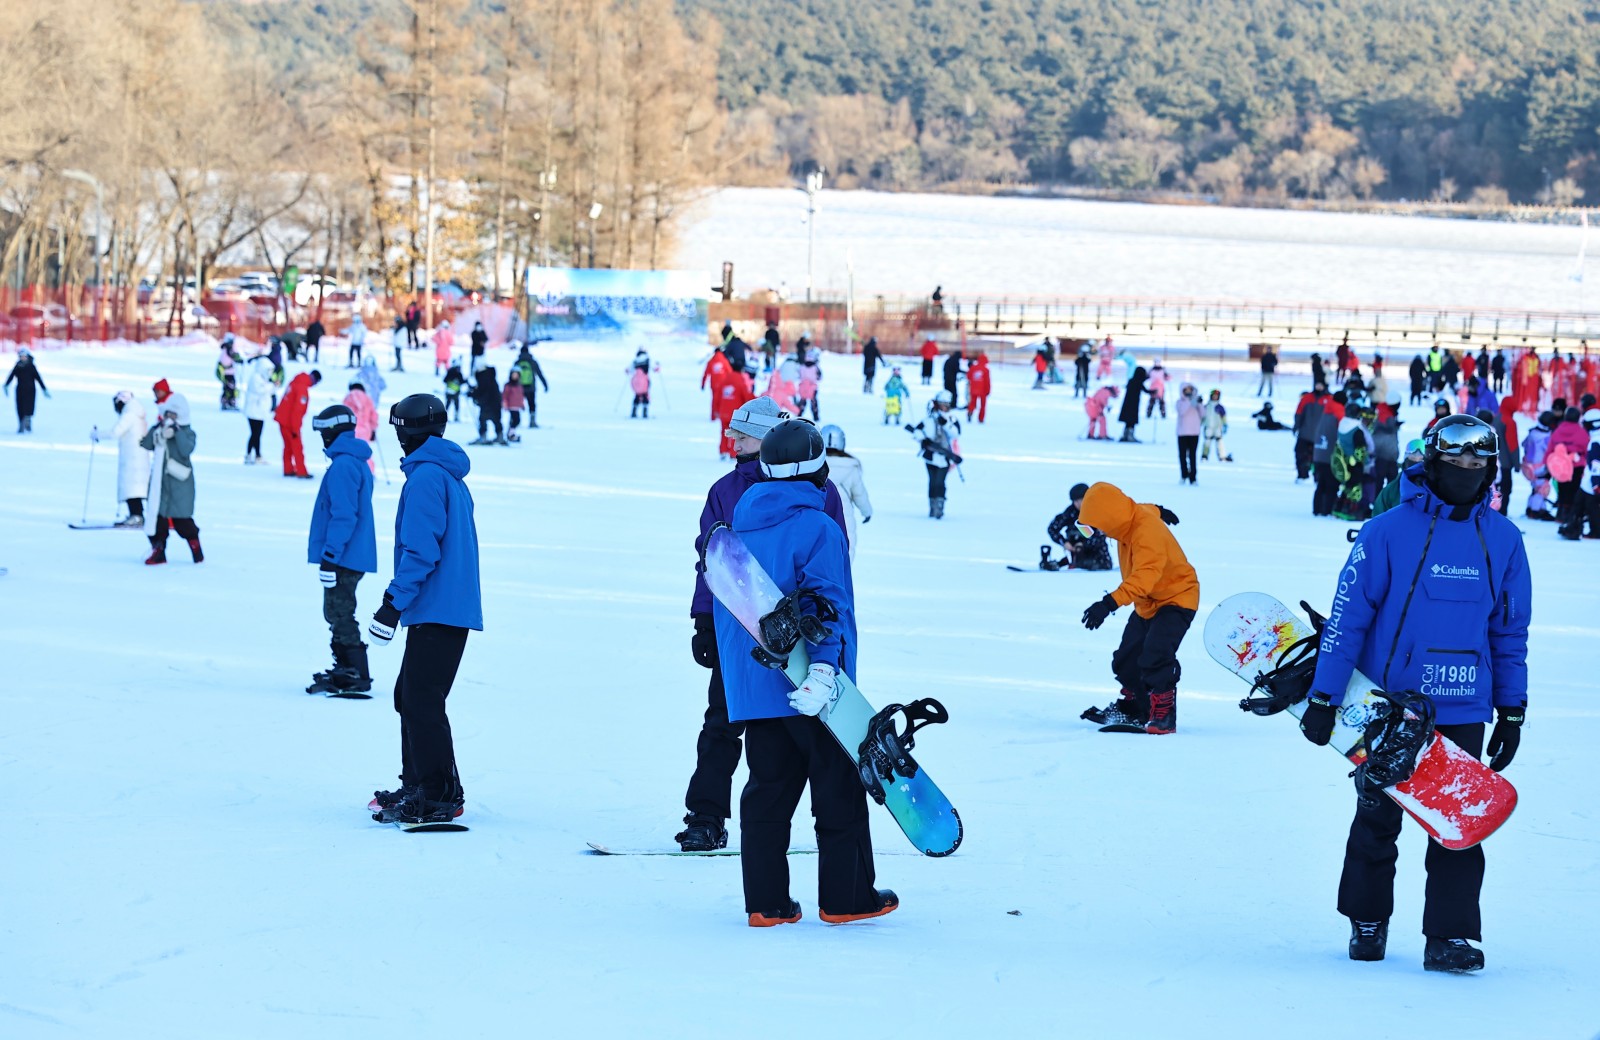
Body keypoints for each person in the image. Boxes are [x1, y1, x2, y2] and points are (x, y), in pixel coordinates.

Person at [1299, 414, 1529, 973]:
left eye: (1479, 466)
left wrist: (1512, 710)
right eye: (1456, 464)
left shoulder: (1504, 539)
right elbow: (1347, 622)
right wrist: (1325, 696)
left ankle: (1449, 936)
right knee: (1377, 818)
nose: (1467, 474)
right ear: (1432, 465)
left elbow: (1509, 630)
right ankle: (1367, 920)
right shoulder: (1385, 532)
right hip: (1388, 707)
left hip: (1465, 705)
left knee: (1457, 827)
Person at [715, 418, 896, 927]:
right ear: (818, 471)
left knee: (767, 792)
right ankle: (848, 899)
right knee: (838, 791)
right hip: (815, 687)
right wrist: (824, 671)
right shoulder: (817, 527)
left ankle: (766, 904)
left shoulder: (738, 526)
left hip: (755, 686)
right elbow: (826, 604)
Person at [679, 397, 850, 852]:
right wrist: (703, 619)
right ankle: (705, 815)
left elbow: (832, 559)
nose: (731, 439)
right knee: (721, 722)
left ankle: (827, 830)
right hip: (739, 629)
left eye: (742, 433)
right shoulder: (725, 489)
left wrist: (828, 637)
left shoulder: (820, 489)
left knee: (809, 736)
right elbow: (709, 559)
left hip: (805, 640)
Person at [367, 394, 483, 827]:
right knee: (410, 696)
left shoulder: (426, 479)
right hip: (443, 606)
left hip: (439, 607)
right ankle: (419, 783)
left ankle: (439, 793)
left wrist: (391, 604)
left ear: (406, 433)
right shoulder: (447, 475)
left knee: (421, 699)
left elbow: (421, 551)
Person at [1075, 484, 1197, 734]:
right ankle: (1134, 707)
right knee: (1126, 658)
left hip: (1176, 598)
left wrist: (1108, 603)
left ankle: (1164, 714)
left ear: (1109, 517)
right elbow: (1145, 509)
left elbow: (1145, 577)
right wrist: (1161, 510)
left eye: (1093, 527)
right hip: (1147, 603)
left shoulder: (1146, 532)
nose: (1094, 534)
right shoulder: (1128, 520)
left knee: (1156, 653)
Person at [305, 405, 377, 695]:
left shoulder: (344, 465)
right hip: (349, 554)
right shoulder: (353, 462)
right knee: (337, 609)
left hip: (344, 556)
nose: (322, 438)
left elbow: (344, 515)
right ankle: (347, 666)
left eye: (323, 432)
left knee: (339, 610)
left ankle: (355, 670)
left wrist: (330, 557)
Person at [140, 382, 202, 565]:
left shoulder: (189, 433)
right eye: (168, 414)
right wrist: (157, 429)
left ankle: (196, 548)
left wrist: (177, 433)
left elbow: (186, 450)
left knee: (182, 521)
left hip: (180, 485)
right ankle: (158, 551)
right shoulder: (161, 429)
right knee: (156, 519)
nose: (170, 418)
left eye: (173, 415)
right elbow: (146, 444)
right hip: (160, 485)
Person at [98, 391, 152, 527]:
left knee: (131, 486)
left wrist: (97, 434)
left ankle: (136, 516)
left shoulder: (129, 415)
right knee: (135, 487)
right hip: (138, 457)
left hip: (132, 458)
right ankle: (137, 514)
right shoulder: (137, 413)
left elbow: (115, 432)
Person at [820, 425, 872, 557]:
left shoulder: (814, 465)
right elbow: (859, 493)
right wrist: (867, 512)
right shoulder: (851, 467)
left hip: (819, 512)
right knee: (844, 555)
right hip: (844, 517)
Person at [908, 390, 962, 518]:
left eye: (946, 405)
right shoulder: (929, 419)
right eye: (942, 404)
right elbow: (917, 432)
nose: (945, 407)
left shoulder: (951, 420)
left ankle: (940, 505)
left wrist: (946, 425)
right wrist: (924, 440)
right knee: (932, 482)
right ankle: (932, 505)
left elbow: (956, 434)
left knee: (940, 482)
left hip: (945, 458)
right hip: (930, 457)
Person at [1045, 482, 1113, 571]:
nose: (1077, 504)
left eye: (1080, 500)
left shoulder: (1097, 513)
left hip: (1099, 559)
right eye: (1075, 501)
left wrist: (1083, 545)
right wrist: (1064, 543)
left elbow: (1101, 536)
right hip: (1075, 557)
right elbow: (1052, 528)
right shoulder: (1070, 513)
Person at [1560, 408, 1600, 539]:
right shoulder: (1595, 438)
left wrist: (1596, 482)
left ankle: (1594, 531)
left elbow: (1596, 464)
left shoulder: (1596, 440)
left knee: (1591, 507)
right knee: (1579, 503)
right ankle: (1572, 526)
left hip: (1592, 482)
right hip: (1588, 481)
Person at [275, 369, 321, 479]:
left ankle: (288, 469)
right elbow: (297, 411)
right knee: (297, 446)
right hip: (290, 422)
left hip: (282, 419)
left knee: (288, 446)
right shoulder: (302, 389)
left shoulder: (295, 381)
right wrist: (295, 429)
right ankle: (301, 471)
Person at [1311, 390, 1346, 516]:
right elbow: (1343, 433)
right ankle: (1327, 510)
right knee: (1331, 485)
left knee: (1321, 484)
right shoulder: (1339, 412)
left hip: (1319, 452)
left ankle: (1317, 509)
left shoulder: (1326, 410)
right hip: (1330, 455)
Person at [1370, 439, 1425, 516]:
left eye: (1421, 460)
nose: (1416, 463)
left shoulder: (1436, 489)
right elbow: (1377, 520)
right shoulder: (1392, 490)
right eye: (1412, 458)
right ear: (1406, 461)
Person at [1520, 410, 1556, 520]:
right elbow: (1550, 450)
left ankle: (1534, 507)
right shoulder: (1546, 437)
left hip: (1528, 466)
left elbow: (1523, 444)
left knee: (1535, 487)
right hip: (1540, 467)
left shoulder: (1532, 432)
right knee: (1542, 488)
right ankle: (1535, 510)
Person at [4, 347, 49, 433]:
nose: (23, 358)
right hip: (20, 390)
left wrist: (44, 389)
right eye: (21, 356)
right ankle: (21, 423)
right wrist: (6, 385)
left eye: (24, 356)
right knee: (20, 407)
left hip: (30, 390)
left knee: (28, 407)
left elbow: (38, 378)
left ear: (28, 356)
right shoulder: (18, 366)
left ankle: (27, 419)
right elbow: (11, 376)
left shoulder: (31, 366)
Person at [714, 367, 755, 460]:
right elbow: (747, 396)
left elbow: (716, 397)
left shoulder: (724, 381)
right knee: (735, 434)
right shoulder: (741, 382)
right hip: (736, 414)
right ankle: (733, 453)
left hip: (723, 412)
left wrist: (715, 410)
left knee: (724, 432)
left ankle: (723, 451)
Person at [242, 352, 275, 464]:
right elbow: (260, 391)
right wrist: (272, 386)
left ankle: (255, 455)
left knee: (256, 434)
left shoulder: (262, 378)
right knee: (255, 434)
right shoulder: (255, 378)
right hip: (254, 412)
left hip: (259, 412)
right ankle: (253, 455)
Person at [344, 380, 379, 474]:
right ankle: (369, 472)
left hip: (351, 428)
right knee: (365, 451)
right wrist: (373, 429)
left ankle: (352, 471)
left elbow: (344, 413)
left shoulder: (348, 397)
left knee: (350, 451)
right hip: (365, 429)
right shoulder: (368, 399)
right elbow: (374, 416)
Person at [471, 365, 506, 445]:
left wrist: (474, 394)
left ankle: (483, 437)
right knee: (496, 420)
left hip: (487, 404)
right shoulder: (490, 377)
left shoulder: (483, 378)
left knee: (483, 420)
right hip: (496, 404)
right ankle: (499, 437)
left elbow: (482, 392)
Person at [1175, 383, 1201, 483]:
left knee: (1192, 455)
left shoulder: (1196, 402)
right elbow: (1182, 412)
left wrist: (1199, 404)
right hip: (1182, 433)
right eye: (1186, 390)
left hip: (1194, 432)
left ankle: (1193, 477)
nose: (1188, 391)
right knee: (1182, 455)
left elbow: (1202, 414)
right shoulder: (1180, 402)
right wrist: (1190, 401)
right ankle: (1184, 474)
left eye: (1190, 389)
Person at [1200, 388, 1232, 463]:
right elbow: (1202, 417)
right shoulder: (1206, 406)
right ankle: (1204, 456)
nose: (1215, 397)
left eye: (1216, 396)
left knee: (1219, 442)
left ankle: (1222, 456)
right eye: (1213, 396)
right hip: (1208, 427)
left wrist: (1225, 425)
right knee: (1207, 442)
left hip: (1217, 427)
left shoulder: (1220, 407)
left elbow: (1223, 417)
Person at [1119, 365, 1147, 442]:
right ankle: (1129, 436)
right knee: (1132, 421)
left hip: (1127, 405)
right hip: (1133, 406)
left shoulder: (1131, 381)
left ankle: (1126, 435)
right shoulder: (1138, 382)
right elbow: (1146, 390)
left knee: (1128, 421)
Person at [966, 352, 991, 423]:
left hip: (973, 389)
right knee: (982, 405)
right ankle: (981, 418)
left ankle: (970, 412)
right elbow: (987, 381)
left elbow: (968, 376)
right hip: (983, 390)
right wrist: (988, 390)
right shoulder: (986, 370)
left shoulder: (973, 367)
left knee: (972, 402)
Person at [501, 370, 526, 443]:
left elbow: (521, 396)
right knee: (516, 420)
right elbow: (504, 396)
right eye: (513, 375)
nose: (515, 376)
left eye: (516, 375)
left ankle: (511, 434)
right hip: (511, 406)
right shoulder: (508, 385)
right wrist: (505, 404)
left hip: (517, 406)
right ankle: (510, 434)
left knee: (515, 420)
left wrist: (522, 405)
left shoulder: (519, 385)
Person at [216, 337, 240, 411]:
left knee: (227, 388)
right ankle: (230, 403)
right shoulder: (228, 350)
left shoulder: (225, 349)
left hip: (227, 373)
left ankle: (226, 403)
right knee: (230, 389)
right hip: (228, 374)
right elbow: (235, 357)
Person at [628, 349, 651, 419]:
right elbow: (655, 368)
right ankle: (645, 413)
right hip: (645, 382)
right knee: (645, 395)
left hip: (635, 382)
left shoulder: (635, 361)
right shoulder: (647, 360)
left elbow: (629, 370)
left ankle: (634, 412)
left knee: (637, 395)